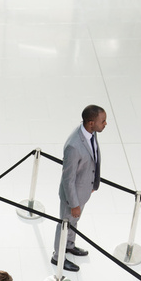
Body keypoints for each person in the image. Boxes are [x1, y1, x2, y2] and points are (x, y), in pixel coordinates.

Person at [51, 104, 107, 272]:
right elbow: (68, 179)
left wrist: (93, 183)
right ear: (91, 122)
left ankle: (69, 245)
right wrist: (74, 204)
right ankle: (57, 256)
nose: (105, 124)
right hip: (72, 196)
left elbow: (93, 158)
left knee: (73, 222)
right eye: (102, 121)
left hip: (82, 190)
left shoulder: (91, 133)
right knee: (65, 223)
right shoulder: (74, 146)